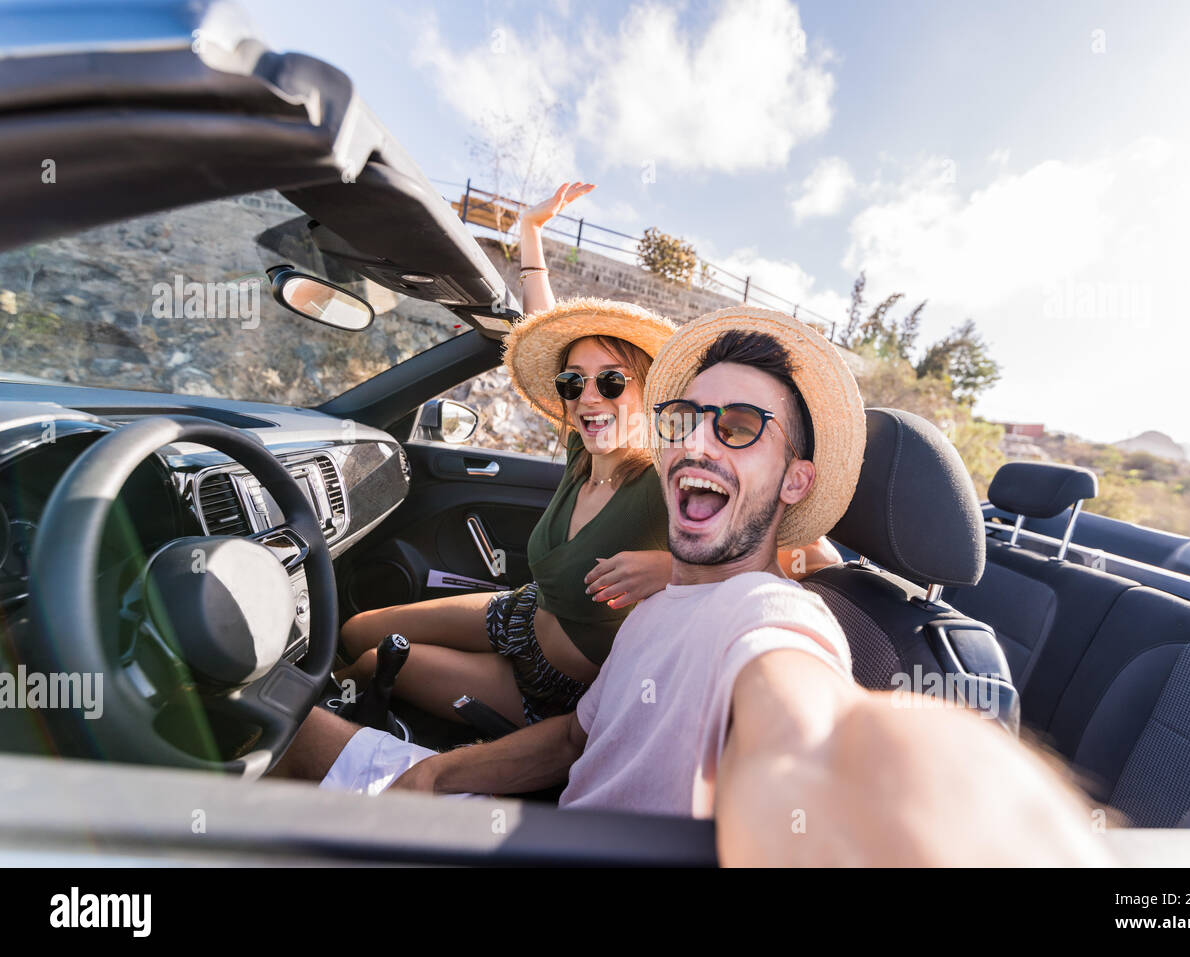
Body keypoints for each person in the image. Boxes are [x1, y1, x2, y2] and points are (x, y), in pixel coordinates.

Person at [279, 307, 1106, 866]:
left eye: (740, 427)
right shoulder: (667, 604)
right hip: (538, 817)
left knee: (254, 729)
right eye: (684, 420)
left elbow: (818, 739)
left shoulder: (770, 615)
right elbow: (575, 741)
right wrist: (437, 776)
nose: (697, 445)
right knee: (283, 724)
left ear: (794, 482)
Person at [336, 183, 839, 728]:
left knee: (371, 660)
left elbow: (814, 557)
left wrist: (670, 568)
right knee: (356, 630)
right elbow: (539, 324)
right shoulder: (584, 442)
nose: (589, 396)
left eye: (612, 381)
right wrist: (530, 233)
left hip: (551, 688)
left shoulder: (671, 475)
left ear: (650, 394)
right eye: (574, 383)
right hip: (519, 613)